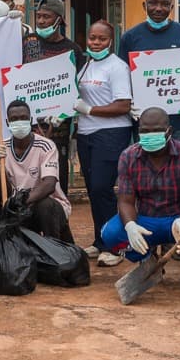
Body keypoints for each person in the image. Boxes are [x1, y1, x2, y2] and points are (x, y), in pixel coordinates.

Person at [100, 108, 180, 293]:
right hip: (146, 220)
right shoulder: (128, 156)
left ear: (169, 131)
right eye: (144, 131)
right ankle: (148, 263)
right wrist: (131, 225)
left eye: (155, 130)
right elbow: (125, 201)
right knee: (110, 233)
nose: (149, 135)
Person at [72, 20, 133, 265]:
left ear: (111, 41)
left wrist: (89, 110)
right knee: (93, 191)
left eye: (102, 39)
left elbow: (123, 105)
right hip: (86, 134)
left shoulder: (117, 67)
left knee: (102, 188)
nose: (96, 43)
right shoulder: (86, 65)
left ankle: (115, 246)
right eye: (92, 38)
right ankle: (100, 240)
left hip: (110, 133)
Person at [118, 0, 180, 142]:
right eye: (153, 3)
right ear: (144, 6)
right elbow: (123, 75)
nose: (158, 8)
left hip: (176, 119)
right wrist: (129, 103)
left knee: (177, 163)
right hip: (144, 120)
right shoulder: (130, 37)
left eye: (165, 4)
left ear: (171, 7)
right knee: (145, 163)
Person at [23, 0, 83, 194]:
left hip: (59, 128)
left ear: (59, 20)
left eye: (46, 17)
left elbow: (77, 86)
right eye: (38, 16)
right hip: (28, 125)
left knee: (58, 179)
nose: (40, 21)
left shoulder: (72, 50)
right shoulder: (27, 43)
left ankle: (60, 221)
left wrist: (66, 111)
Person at [0, 100, 74, 240]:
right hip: (17, 210)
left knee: (44, 206)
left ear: (30, 120)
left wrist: (21, 202)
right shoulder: (2, 149)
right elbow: (2, 192)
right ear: (8, 123)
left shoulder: (45, 146)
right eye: (14, 119)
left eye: (23, 118)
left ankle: (54, 251)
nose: (19, 122)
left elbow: (49, 184)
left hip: (48, 206)